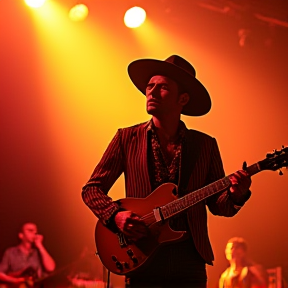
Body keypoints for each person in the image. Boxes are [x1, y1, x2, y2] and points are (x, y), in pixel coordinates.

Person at [82, 55, 252, 288]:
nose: (151, 92)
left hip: (189, 261)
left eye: (162, 87)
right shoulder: (126, 138)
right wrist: (116, 216)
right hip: (141, 257)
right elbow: (92, 189)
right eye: (149, 86)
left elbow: (218, 205)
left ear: (183, 98)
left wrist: (236, 194)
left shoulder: (205, 145)